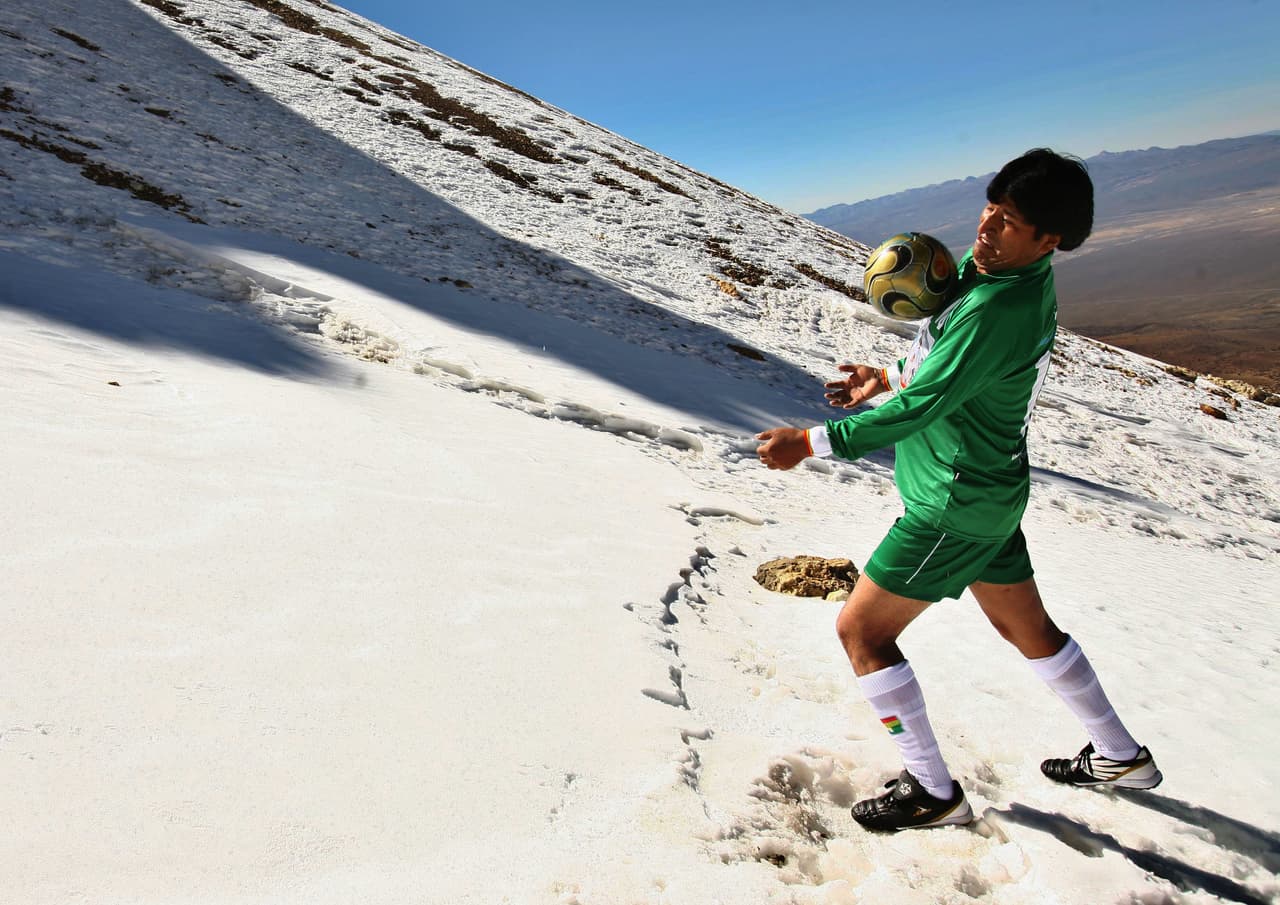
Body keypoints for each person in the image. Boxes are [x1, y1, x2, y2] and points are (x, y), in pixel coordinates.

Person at [754, 149, 1160, 832]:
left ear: (1048, 239)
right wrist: (884, 378)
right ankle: (1120, 754)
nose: (988, 227)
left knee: (862, 630)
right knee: (1026, 628)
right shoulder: (994, 271)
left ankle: (933, 793)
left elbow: (930, 404)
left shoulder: (1002, 305)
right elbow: (943, 367)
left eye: (1010, 221)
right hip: (990, 490)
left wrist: (815, 442)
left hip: (953, 503)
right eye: (991, 208)